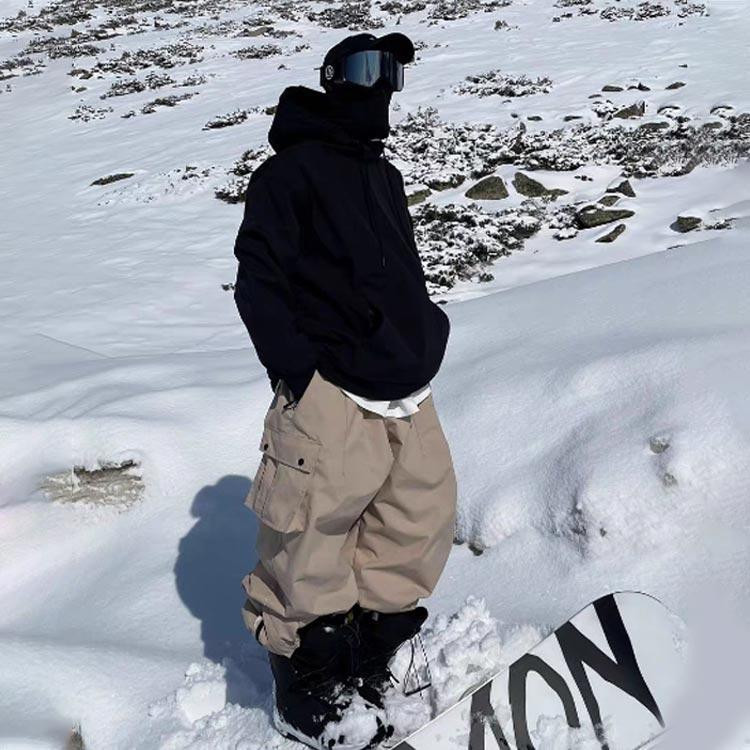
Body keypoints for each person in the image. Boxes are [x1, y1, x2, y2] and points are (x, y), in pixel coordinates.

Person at [232, 30, 458, 750]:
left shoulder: (383, 176)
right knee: (310, 537)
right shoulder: (288, 173)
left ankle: (365, 662)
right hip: (329, 387)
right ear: (333, 78)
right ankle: (307, 685)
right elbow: (258, 281)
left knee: (416, 522)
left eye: (391, 70)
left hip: (405, 385)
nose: (380, 83)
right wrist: (300, 377)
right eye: (366, 67)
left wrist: (423, 331)